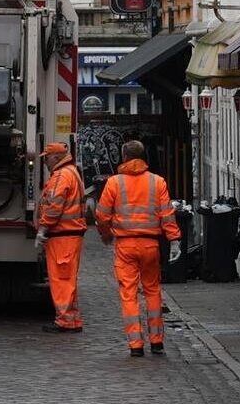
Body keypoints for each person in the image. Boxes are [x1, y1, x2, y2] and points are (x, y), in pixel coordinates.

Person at [95, 140, 181, 357]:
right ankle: (157, 341)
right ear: (143, 157)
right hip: (150, 245)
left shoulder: (114, 183)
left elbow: (102, 215)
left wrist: (106, 234)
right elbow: (167, 215)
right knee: (152, 291)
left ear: (124, 157)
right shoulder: (157, 182)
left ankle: (136, 345)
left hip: (125, 246)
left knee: (129, 294)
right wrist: (175, 240)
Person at [35, 142, 87, 333]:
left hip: (62, 236)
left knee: (61, 280)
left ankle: (65, 321)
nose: (45, 161)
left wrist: (43, 228)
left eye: (46, 157)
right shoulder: (71, 172)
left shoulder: (61, 175)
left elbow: (54, 205)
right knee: (68, 279)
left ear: (56, 157)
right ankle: (71, 320)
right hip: (69, 235)